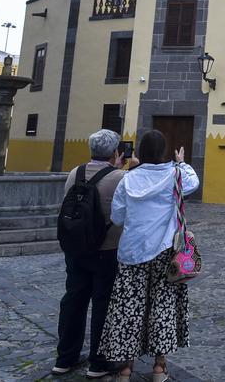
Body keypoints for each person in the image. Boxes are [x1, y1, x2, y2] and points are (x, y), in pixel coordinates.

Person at [99, 129, 200, 381]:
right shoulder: (175, 175)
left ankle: (124, 369)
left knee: (128, 309)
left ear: (140, 152)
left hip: (132, 251)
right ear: (163, 152)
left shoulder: (127, 180)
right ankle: (159, 367)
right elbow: (194, 182)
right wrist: (181, 161)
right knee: (162, 307)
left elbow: (117, 218)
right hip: (165, 252)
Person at [53, 129, 129, 378]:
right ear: (115, 152)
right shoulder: (120, 177)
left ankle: (65, 358)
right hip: (106, 250)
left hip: (76, 249)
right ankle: (99, 362)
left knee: (73, 300)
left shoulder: (76, 172)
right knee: (103, 304)